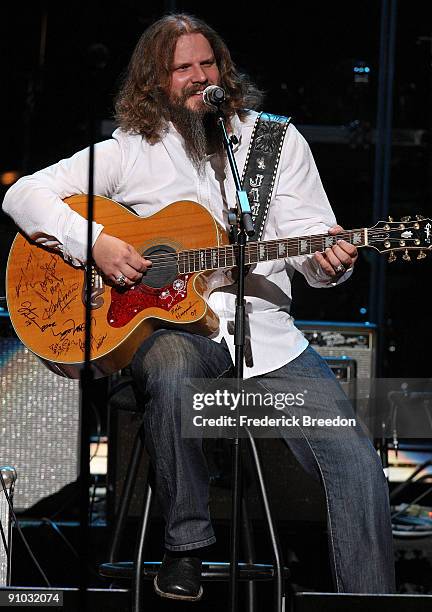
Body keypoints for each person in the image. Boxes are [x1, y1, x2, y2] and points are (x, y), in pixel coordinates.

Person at [2, 13, 395, 602]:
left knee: (359, 465)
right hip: (170, 333)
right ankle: (186, 546)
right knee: (170, 365)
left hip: (268, 341)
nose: (197, 76)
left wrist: (330, 262)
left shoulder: (274, 144)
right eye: (181, 67)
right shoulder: (131, 152)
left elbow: (311, 247)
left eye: (206, 64)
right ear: (155, 82)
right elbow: (21, 193)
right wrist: (99, 245)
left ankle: (371, 600)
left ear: (224, 72)